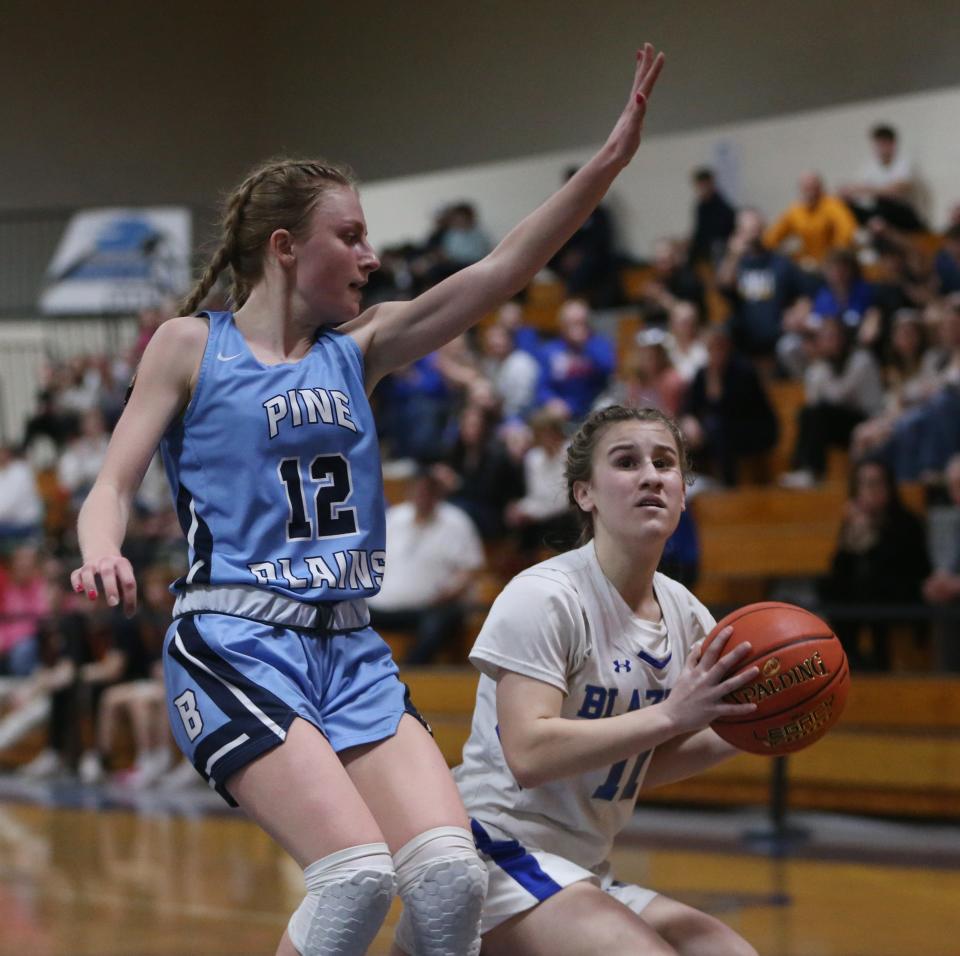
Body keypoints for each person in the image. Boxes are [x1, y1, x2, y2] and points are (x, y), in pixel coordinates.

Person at [71, 43, 666, 956]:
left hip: (347, 645)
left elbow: (503, 268)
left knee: (451, 878)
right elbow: (111, 483)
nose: (370, 255)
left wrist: (609, 164)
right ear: (285, 248)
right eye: (347, 236)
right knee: (353, 881)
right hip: (237, 640)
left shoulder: (363, 347)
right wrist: (100, 546)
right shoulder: (191, 347)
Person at [448, 405, 759, 956]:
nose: (650, 475)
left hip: (579, 866)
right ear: (584, 494)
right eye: (626, 461)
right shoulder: (545, 595)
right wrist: (670, 715)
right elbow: (530, 752)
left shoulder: (686, 615)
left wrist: (753, 726)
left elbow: (638, 767)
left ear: (683, 494)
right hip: (490, 851)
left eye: (665, 464)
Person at [819, 457, 930, 670]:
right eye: (863, 484)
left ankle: (879, 662)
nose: (868, 490)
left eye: (874, 483)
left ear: (888, 486)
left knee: (870, 589)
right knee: (831, 587)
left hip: (901, 591)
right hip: (863, 595)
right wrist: (851, 543)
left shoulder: (906, 522)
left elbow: (904, 569)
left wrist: (871, 544)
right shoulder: (853, 521)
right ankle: (847, 654)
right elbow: (838, 572)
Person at [368, 468, 485, 666]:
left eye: (427, 492)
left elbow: (471, 569)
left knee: (439, 622)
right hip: (382, 606)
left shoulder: (457, 522)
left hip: (430, 607)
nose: (422, 497)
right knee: (347, 615)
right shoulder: (393, 517)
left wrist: (448, 593)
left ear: (437, 494)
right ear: (410, 493)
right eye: (418, 491)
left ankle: (411, 673)